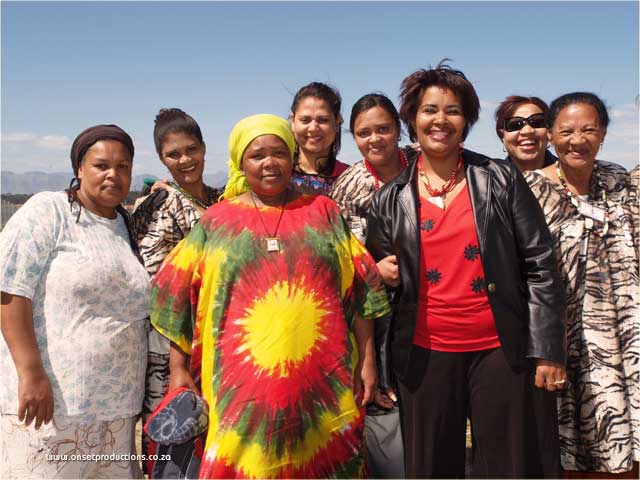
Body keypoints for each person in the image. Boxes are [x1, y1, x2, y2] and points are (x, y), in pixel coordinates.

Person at [150, 114, 390, 478]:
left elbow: (361, 287)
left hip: (323, 381)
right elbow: (176, 293)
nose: (269, 163)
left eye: (279, 152)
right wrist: (179, 369)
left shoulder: (323, 212)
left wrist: (368, 360)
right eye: (257, 155)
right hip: (239, 388)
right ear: (240, 163)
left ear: (292, 157)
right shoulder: (217, 222)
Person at [365, 61, 567, 478]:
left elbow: (541, 265)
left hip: (500, 351)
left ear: (468, 120)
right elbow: (379, 287)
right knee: (432, 467)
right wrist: (378, 273)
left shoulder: (500, 178)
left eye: (453, 110)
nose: (441, 120)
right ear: (412, 120)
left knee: (511, 466)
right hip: (423, 355)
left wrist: (547, 349)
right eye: (429, 110)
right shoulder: (390, 198)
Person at [0, 125, 150, 479]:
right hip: (51, 407)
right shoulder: (49, 211)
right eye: (101, 165)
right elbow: (9, 289)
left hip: (116, 413)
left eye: (124, 166)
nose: (114, 174)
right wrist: (31, 374)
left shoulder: (124, 227)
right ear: (79, 169)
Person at [524, 92, 639, 478]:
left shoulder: (619, 180)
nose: (578, 139)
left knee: (624, 445)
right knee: (572, 448)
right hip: (565, 340)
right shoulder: (530, 191)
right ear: (551, 137)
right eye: (567, 131)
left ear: (603, 134)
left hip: (627, 337)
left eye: (589, 129)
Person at [131, 108, 223, 474]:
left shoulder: (222, 200)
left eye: (191, 150)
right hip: (171, 339)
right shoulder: (159, 204)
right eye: (174, 154)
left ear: (203, 148)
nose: (185, 160)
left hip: (218, 337)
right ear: (161, 159)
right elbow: (159, 278)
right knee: (172, 433)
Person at [330, 93, 417, 478]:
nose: (375, 138)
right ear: (352, 136)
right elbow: (341, 259)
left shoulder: (423, 162)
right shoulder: (348, 187)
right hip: (377, 318)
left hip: (435, 302)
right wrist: (372, 270)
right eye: (364, 132)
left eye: (383, 129)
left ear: (398, 129)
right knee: (386, 407)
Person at [289, 82, 349, 195]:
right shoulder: (277, 175)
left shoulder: (350, 179)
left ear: (337, 122)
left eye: (323, 120)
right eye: (305, 120)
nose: (313, 128)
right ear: (292, 121)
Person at [494, 95, 557, 171]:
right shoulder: (488, 179)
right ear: (502, 136)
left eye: (537, 122)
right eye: (515, 125)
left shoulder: (573, 176)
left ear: (549, 132)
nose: (527, 131)